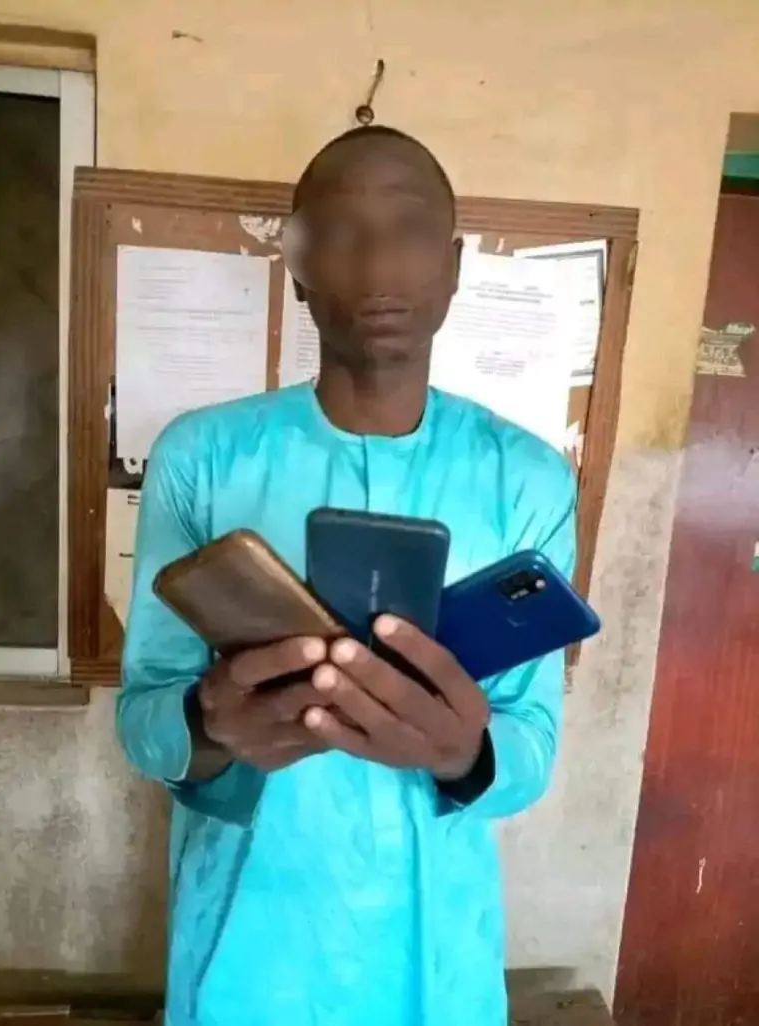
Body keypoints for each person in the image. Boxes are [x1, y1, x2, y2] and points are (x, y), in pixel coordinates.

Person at [117, 125, 576, 1026]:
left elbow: (534, 740)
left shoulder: (526, 478)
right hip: (245, 955)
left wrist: (465, 752)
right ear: (297, 267)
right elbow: (142, 722)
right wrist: (210, 722)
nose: (377, 264)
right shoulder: (201, 459)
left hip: (433, 965)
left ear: (452, 266)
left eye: (408, 230)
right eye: (339, 231)